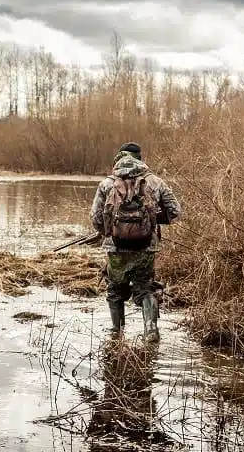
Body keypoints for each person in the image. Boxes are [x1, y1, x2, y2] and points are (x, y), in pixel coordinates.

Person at [90, 142, 182, 342]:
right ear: (140, 159)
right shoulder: (155, 182)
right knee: (145, 289)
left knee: (115, 290)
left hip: (116, 248)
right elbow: (175, 212)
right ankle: (150, 330)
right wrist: (151, 220)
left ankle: (116, 334)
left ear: (118, 158)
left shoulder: (107, 183)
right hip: (146, 246)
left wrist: (107, 231)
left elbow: (96, 218)